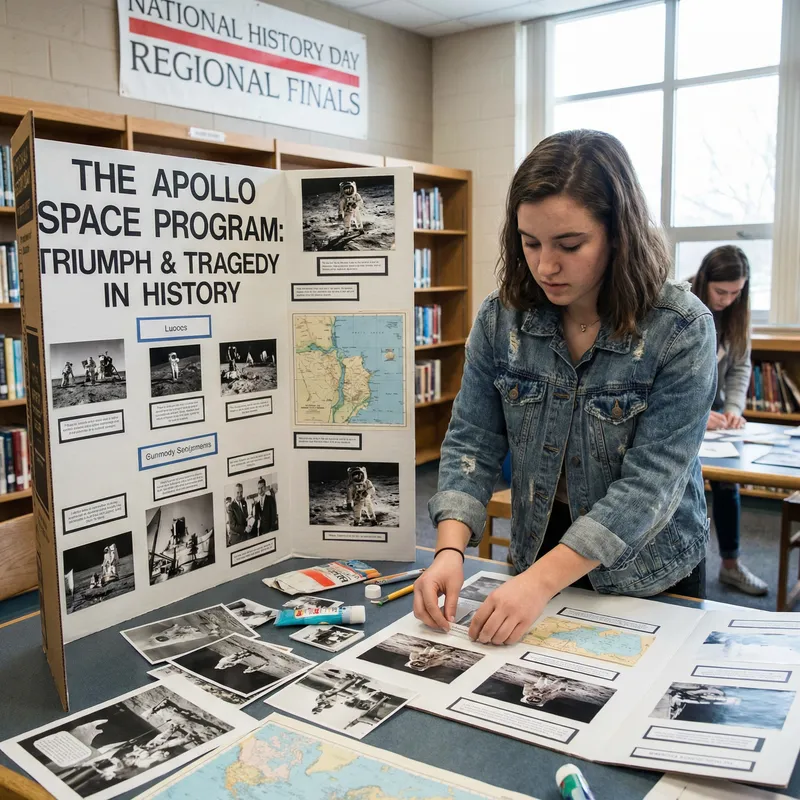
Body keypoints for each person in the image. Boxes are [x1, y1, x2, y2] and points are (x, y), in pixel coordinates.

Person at [414, 129, 717, 647]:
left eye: (570, 245)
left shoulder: (681, 329)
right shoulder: (500, 319)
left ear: (618, 234)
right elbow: (472, 441)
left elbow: (652, 485)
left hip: (646, 569)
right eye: (530, 243)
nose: (545, 265)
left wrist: (539, 584)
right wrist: (449, 551)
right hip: (540, 547)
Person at [690, 245, 766, 595]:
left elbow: (739, 367)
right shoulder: (681, 305)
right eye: (721, 292)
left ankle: (731, 565)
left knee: (727, 482)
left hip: (718, 409)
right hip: (682, 407)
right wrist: (697, 415)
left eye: (736, 293)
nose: (727, 300)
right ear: (705, 281)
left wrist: (734, 409)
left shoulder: (738, 316)